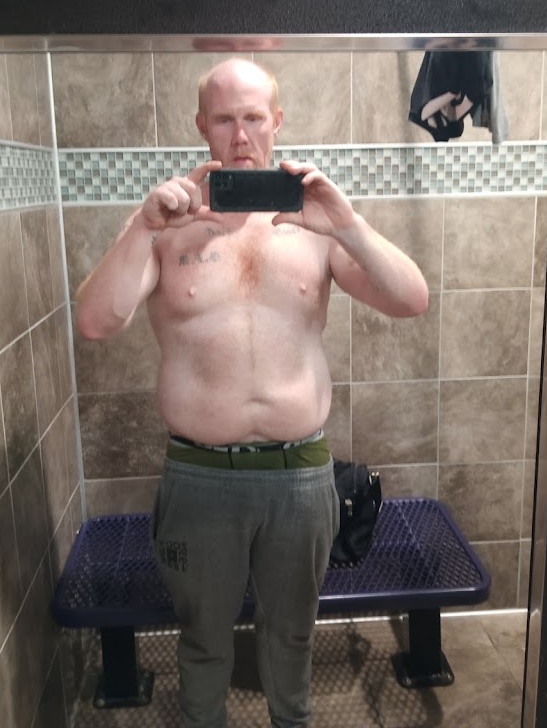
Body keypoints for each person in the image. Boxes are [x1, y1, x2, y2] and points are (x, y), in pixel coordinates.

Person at [75, 57, 429, 728]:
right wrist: (142, 226)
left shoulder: (313, 226)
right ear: (201, 125)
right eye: (225, 120)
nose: (240, 136)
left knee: (293, 637)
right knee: (202, 640)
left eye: (254, 118)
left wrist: (347, 224)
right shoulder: (166, 229)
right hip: (200, 477)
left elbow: (411, 299)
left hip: (300, 476)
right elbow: (95, 322)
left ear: (277, 121)